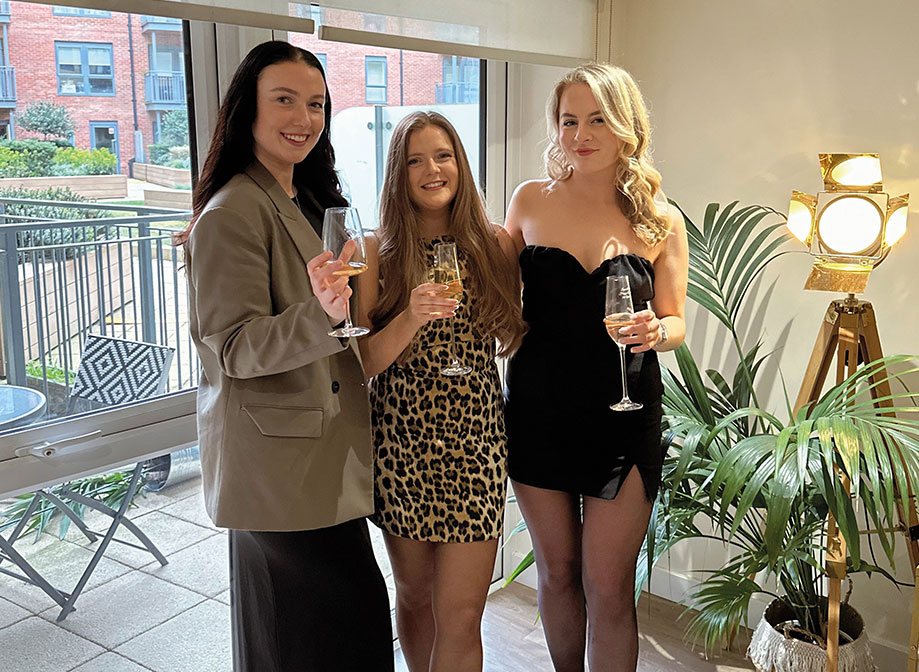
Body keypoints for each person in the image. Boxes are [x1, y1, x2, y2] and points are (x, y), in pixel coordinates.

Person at [178, 41, 393, 671]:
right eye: (285, 100)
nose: (305, 118)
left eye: (317, 104)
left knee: (311, 636)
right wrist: (324, 316)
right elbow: (233, 348)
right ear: (247, 109)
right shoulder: (231, 213)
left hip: (314, 459)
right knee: (321, 636)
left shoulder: (303, 198)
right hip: (279, 471)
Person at [503, 63, 689, 672]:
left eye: (597, 120)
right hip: (538, 413)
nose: (580, 135)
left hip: (623, 416)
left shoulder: (660, 218)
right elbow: (491, 289)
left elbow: (677, 321)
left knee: (608, 586)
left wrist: (656, 331)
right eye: (569, 121)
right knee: (557, 572)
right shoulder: (529, 200)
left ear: (626, 126)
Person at [354, 111, 525, 672]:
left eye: (443, 155)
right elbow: (363, 363)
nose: (432, 169)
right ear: (398, 173)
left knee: (462, 612)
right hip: (402, 444)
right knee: (414, 597)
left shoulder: (494, 243)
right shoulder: (374, 252)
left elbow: (512, 333)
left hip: (476, 444)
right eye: (416, 160)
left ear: (460, 164)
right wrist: (410, 316)